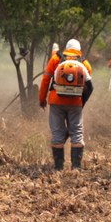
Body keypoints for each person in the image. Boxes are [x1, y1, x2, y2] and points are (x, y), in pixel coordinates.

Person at [38, 39, 94, 170]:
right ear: (79, 50)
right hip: (75, 103)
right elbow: (88, 87)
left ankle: (58, 167)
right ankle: (76, 167)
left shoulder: (55, 60)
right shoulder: (85, 64)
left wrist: (42, 99)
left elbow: (46, 80)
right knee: (77, 133)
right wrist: (82, 103)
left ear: (66, 49)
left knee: (57, 133)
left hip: (56, 102)